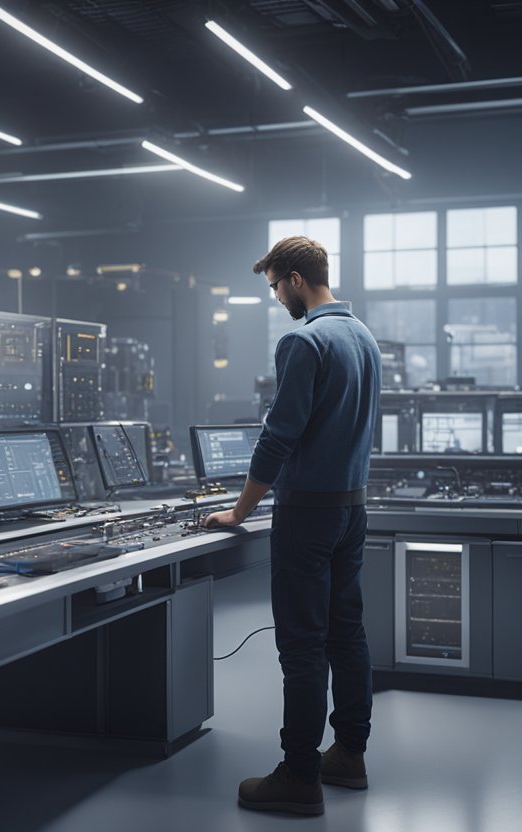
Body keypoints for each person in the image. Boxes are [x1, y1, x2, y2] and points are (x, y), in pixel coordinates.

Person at [204, 235, 381, 816]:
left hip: (307, 512)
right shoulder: (364, 337)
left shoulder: (303, 341)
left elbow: (279, 436)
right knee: (346, 634)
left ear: (298, 280)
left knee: (302, 647)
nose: (278, 297)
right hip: (353, 507)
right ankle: (349, 755)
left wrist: (239, 512)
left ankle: (300, 776)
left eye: (277, 287)